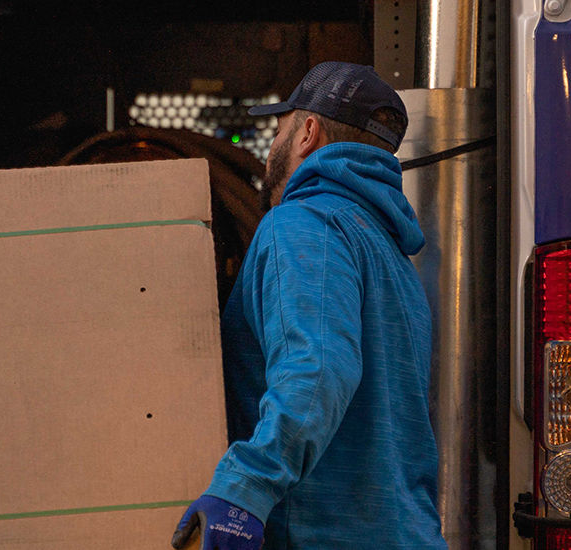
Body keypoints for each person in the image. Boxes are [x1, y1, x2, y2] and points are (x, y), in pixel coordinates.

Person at [169, 61, 444, 550]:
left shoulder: (303, 225)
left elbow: (317, 370)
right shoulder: (396, 262)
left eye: (279, 131)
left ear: (307, 133)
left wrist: (244, 489)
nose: (272, 147)